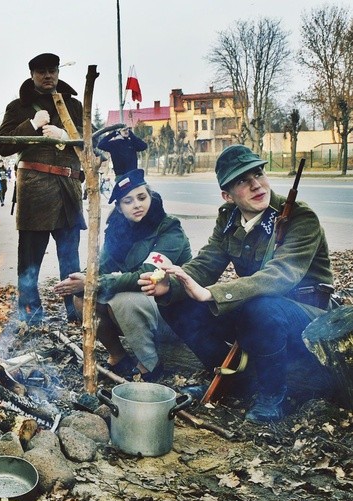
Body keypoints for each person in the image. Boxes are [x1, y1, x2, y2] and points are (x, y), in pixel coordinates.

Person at [139, 145, 334, 423]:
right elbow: (207, 263)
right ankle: (232, 378)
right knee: (178, 303)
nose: (257, 185)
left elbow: (281, 275)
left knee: (261, 307)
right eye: (243, 180)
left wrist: (212, 293)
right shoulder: (229, 218)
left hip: (307, 319)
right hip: (259, 314)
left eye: (258, 173)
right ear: (227, 195)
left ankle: (271, 397)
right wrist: (173, 284)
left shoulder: (300, 218)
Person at [54, 169, 191, 381]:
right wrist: (79, 279)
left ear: (151, 197)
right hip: (144, 310)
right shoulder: (118, 231)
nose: (137, 204)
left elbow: (148, 275)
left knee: (123, 300)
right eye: (128, 201)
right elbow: (101, 266)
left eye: (142, 197)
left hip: (175, 313)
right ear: (119, 207)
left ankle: (151, 366)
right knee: (82, 297)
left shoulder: (169, 228)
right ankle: (118, 357)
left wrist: (93, 282)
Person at [0, 52, 86, 325]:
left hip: (68, 189)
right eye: (42, 71)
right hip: (35, 190)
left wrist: (68, 136)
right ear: (32, 74)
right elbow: (3, 145)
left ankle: (75, 312)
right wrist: (32, 125)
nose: (48, 75)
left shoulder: (74, 105)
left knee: (70, 258)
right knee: (30, 259)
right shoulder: (18, 106)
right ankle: (30, 315)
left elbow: (89, 140)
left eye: (53, 70)